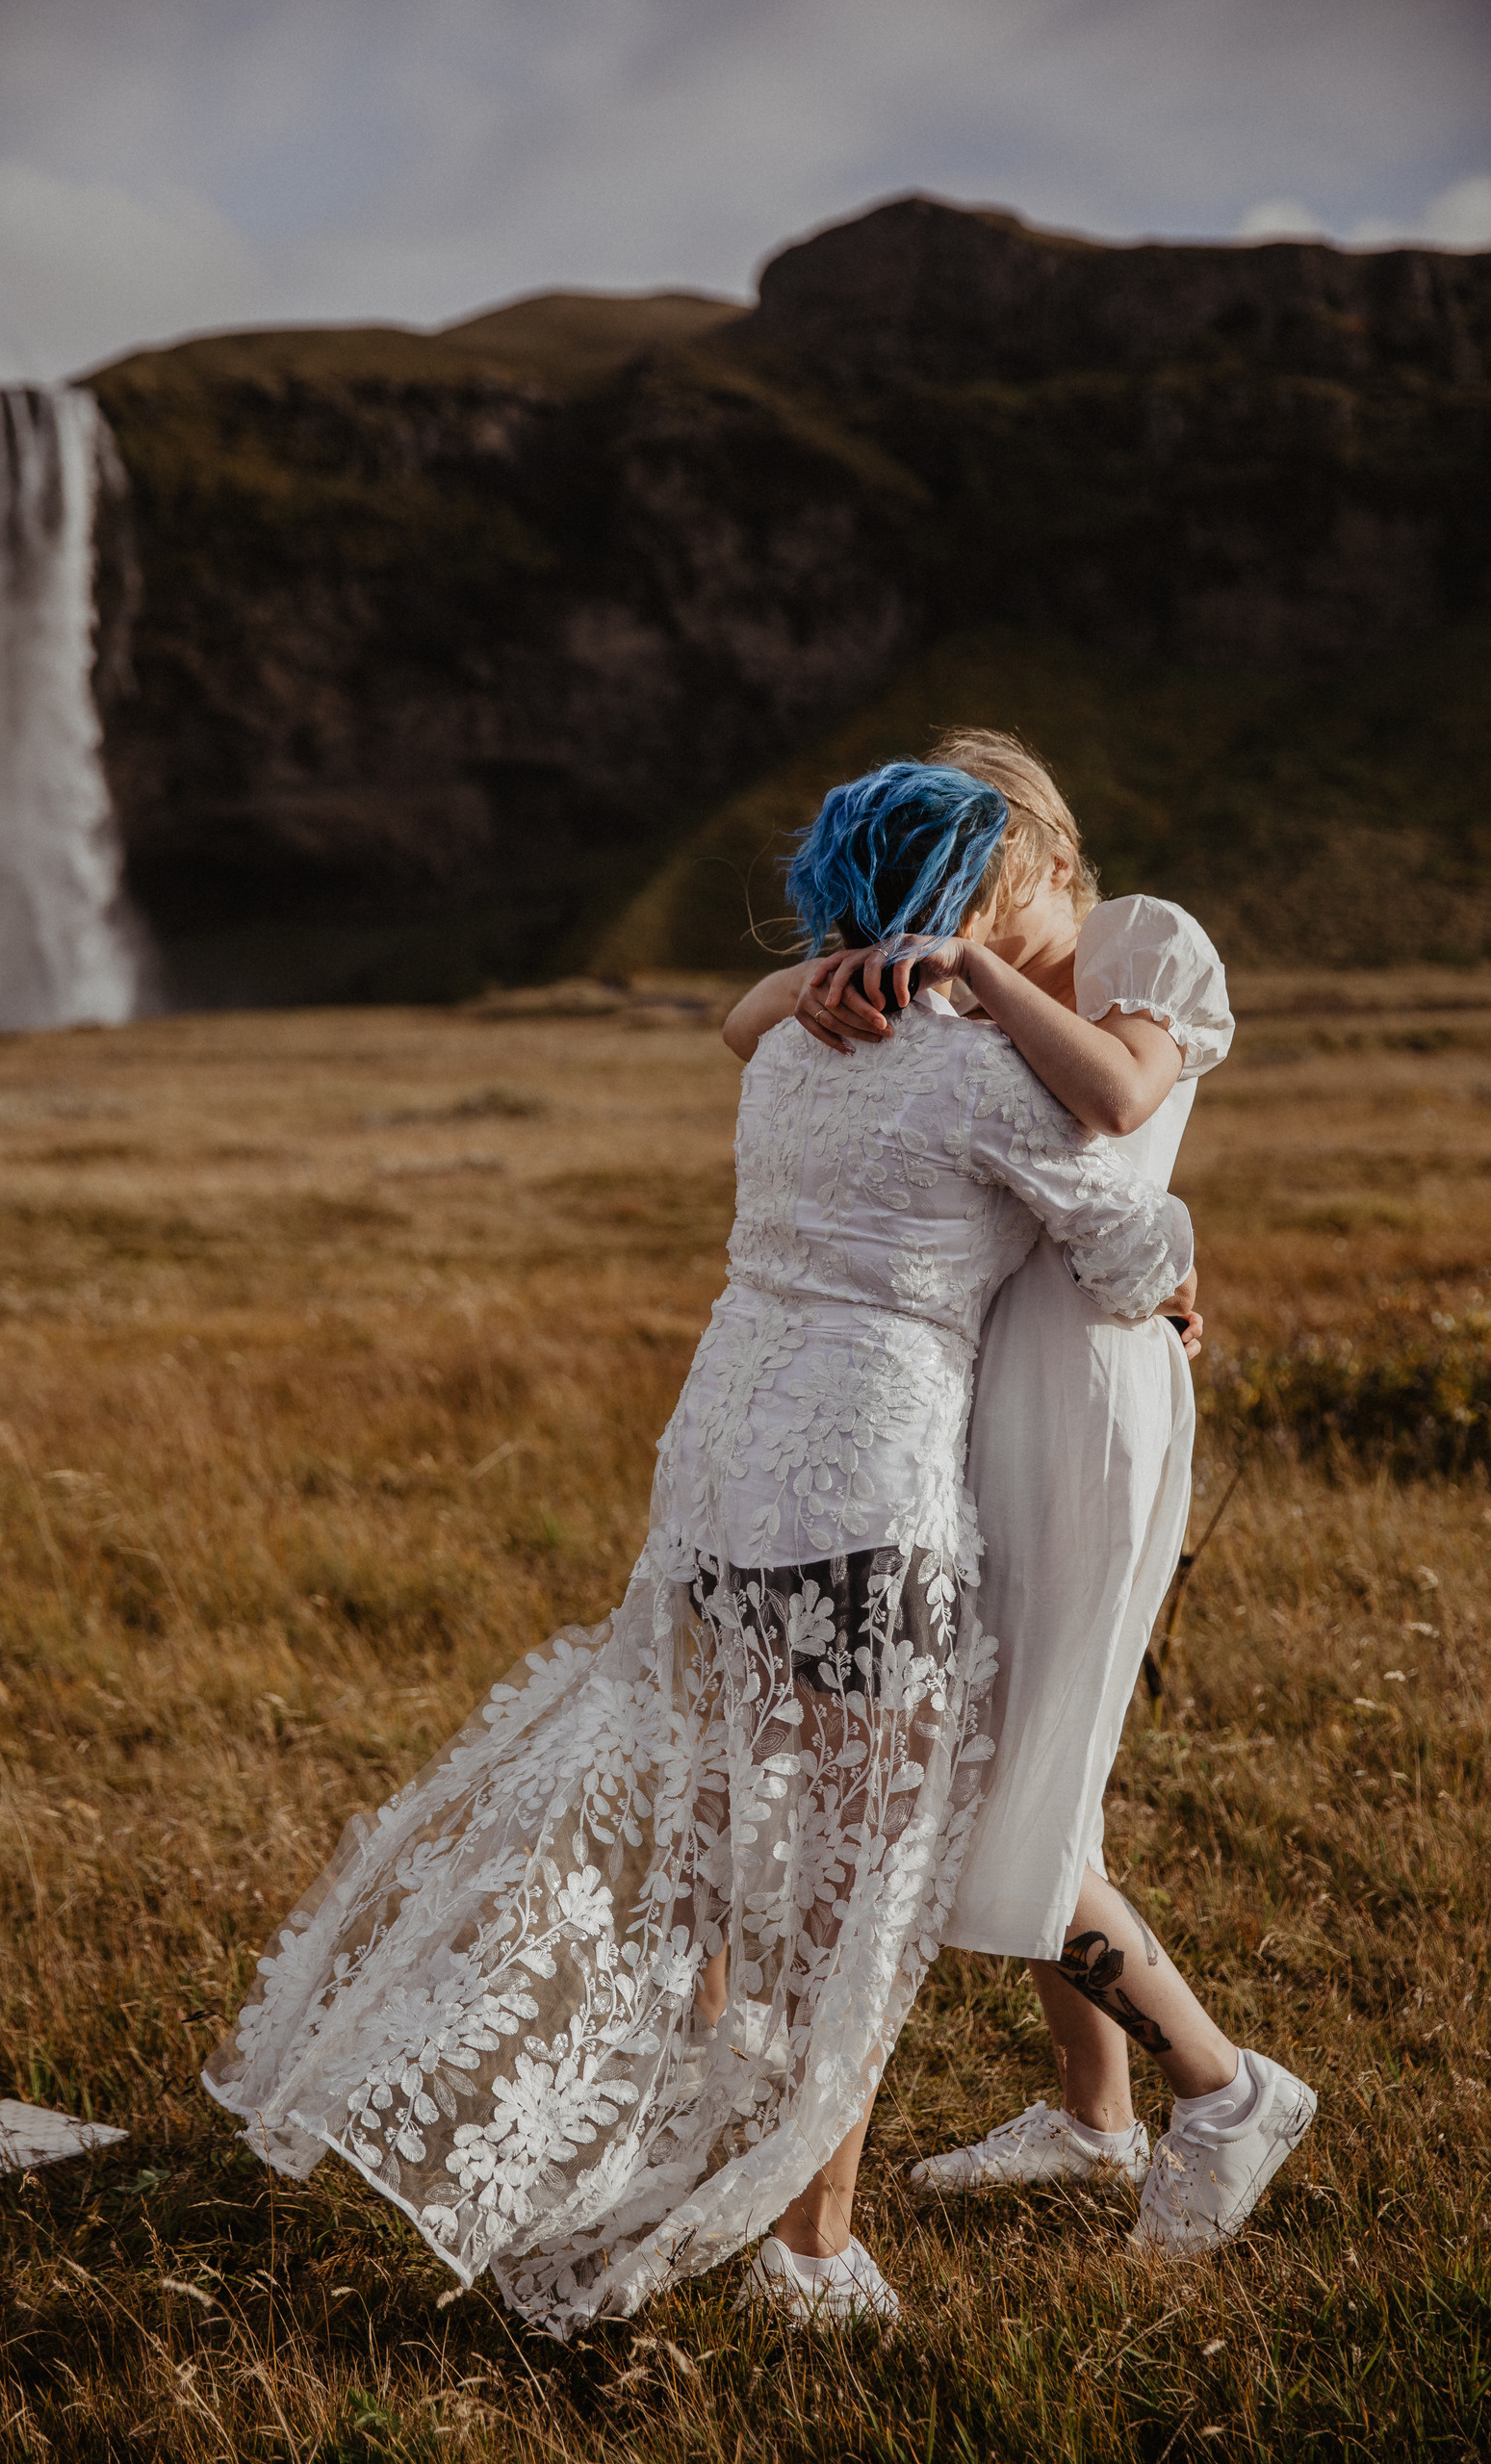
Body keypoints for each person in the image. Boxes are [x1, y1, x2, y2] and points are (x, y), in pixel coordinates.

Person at [203, 761, 1196, 2332]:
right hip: (867, 1499)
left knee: (730, 1844)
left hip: (723, 1475)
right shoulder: (986, 1077)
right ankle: (813, 2253)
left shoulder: (794, 1047)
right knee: (853, 1895)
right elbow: (1134, 1245)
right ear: (970, 901)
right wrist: (1179, 1271)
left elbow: (753, 1028)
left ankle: (677, 2156)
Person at [727, 729, 1315, 2254]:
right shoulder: (938, 965)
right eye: (955, 902)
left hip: (1087, 1373)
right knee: (1010, 1756)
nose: (961, 925)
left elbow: (1118, 1112)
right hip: (971, 1363)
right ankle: (1096, 2114)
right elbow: (745, 1026)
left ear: (1047, 857)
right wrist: (835, 980)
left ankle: (1218, 2092)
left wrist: (974, 982)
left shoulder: (1146, 944)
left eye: (990, 890)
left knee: (1008, 1771)